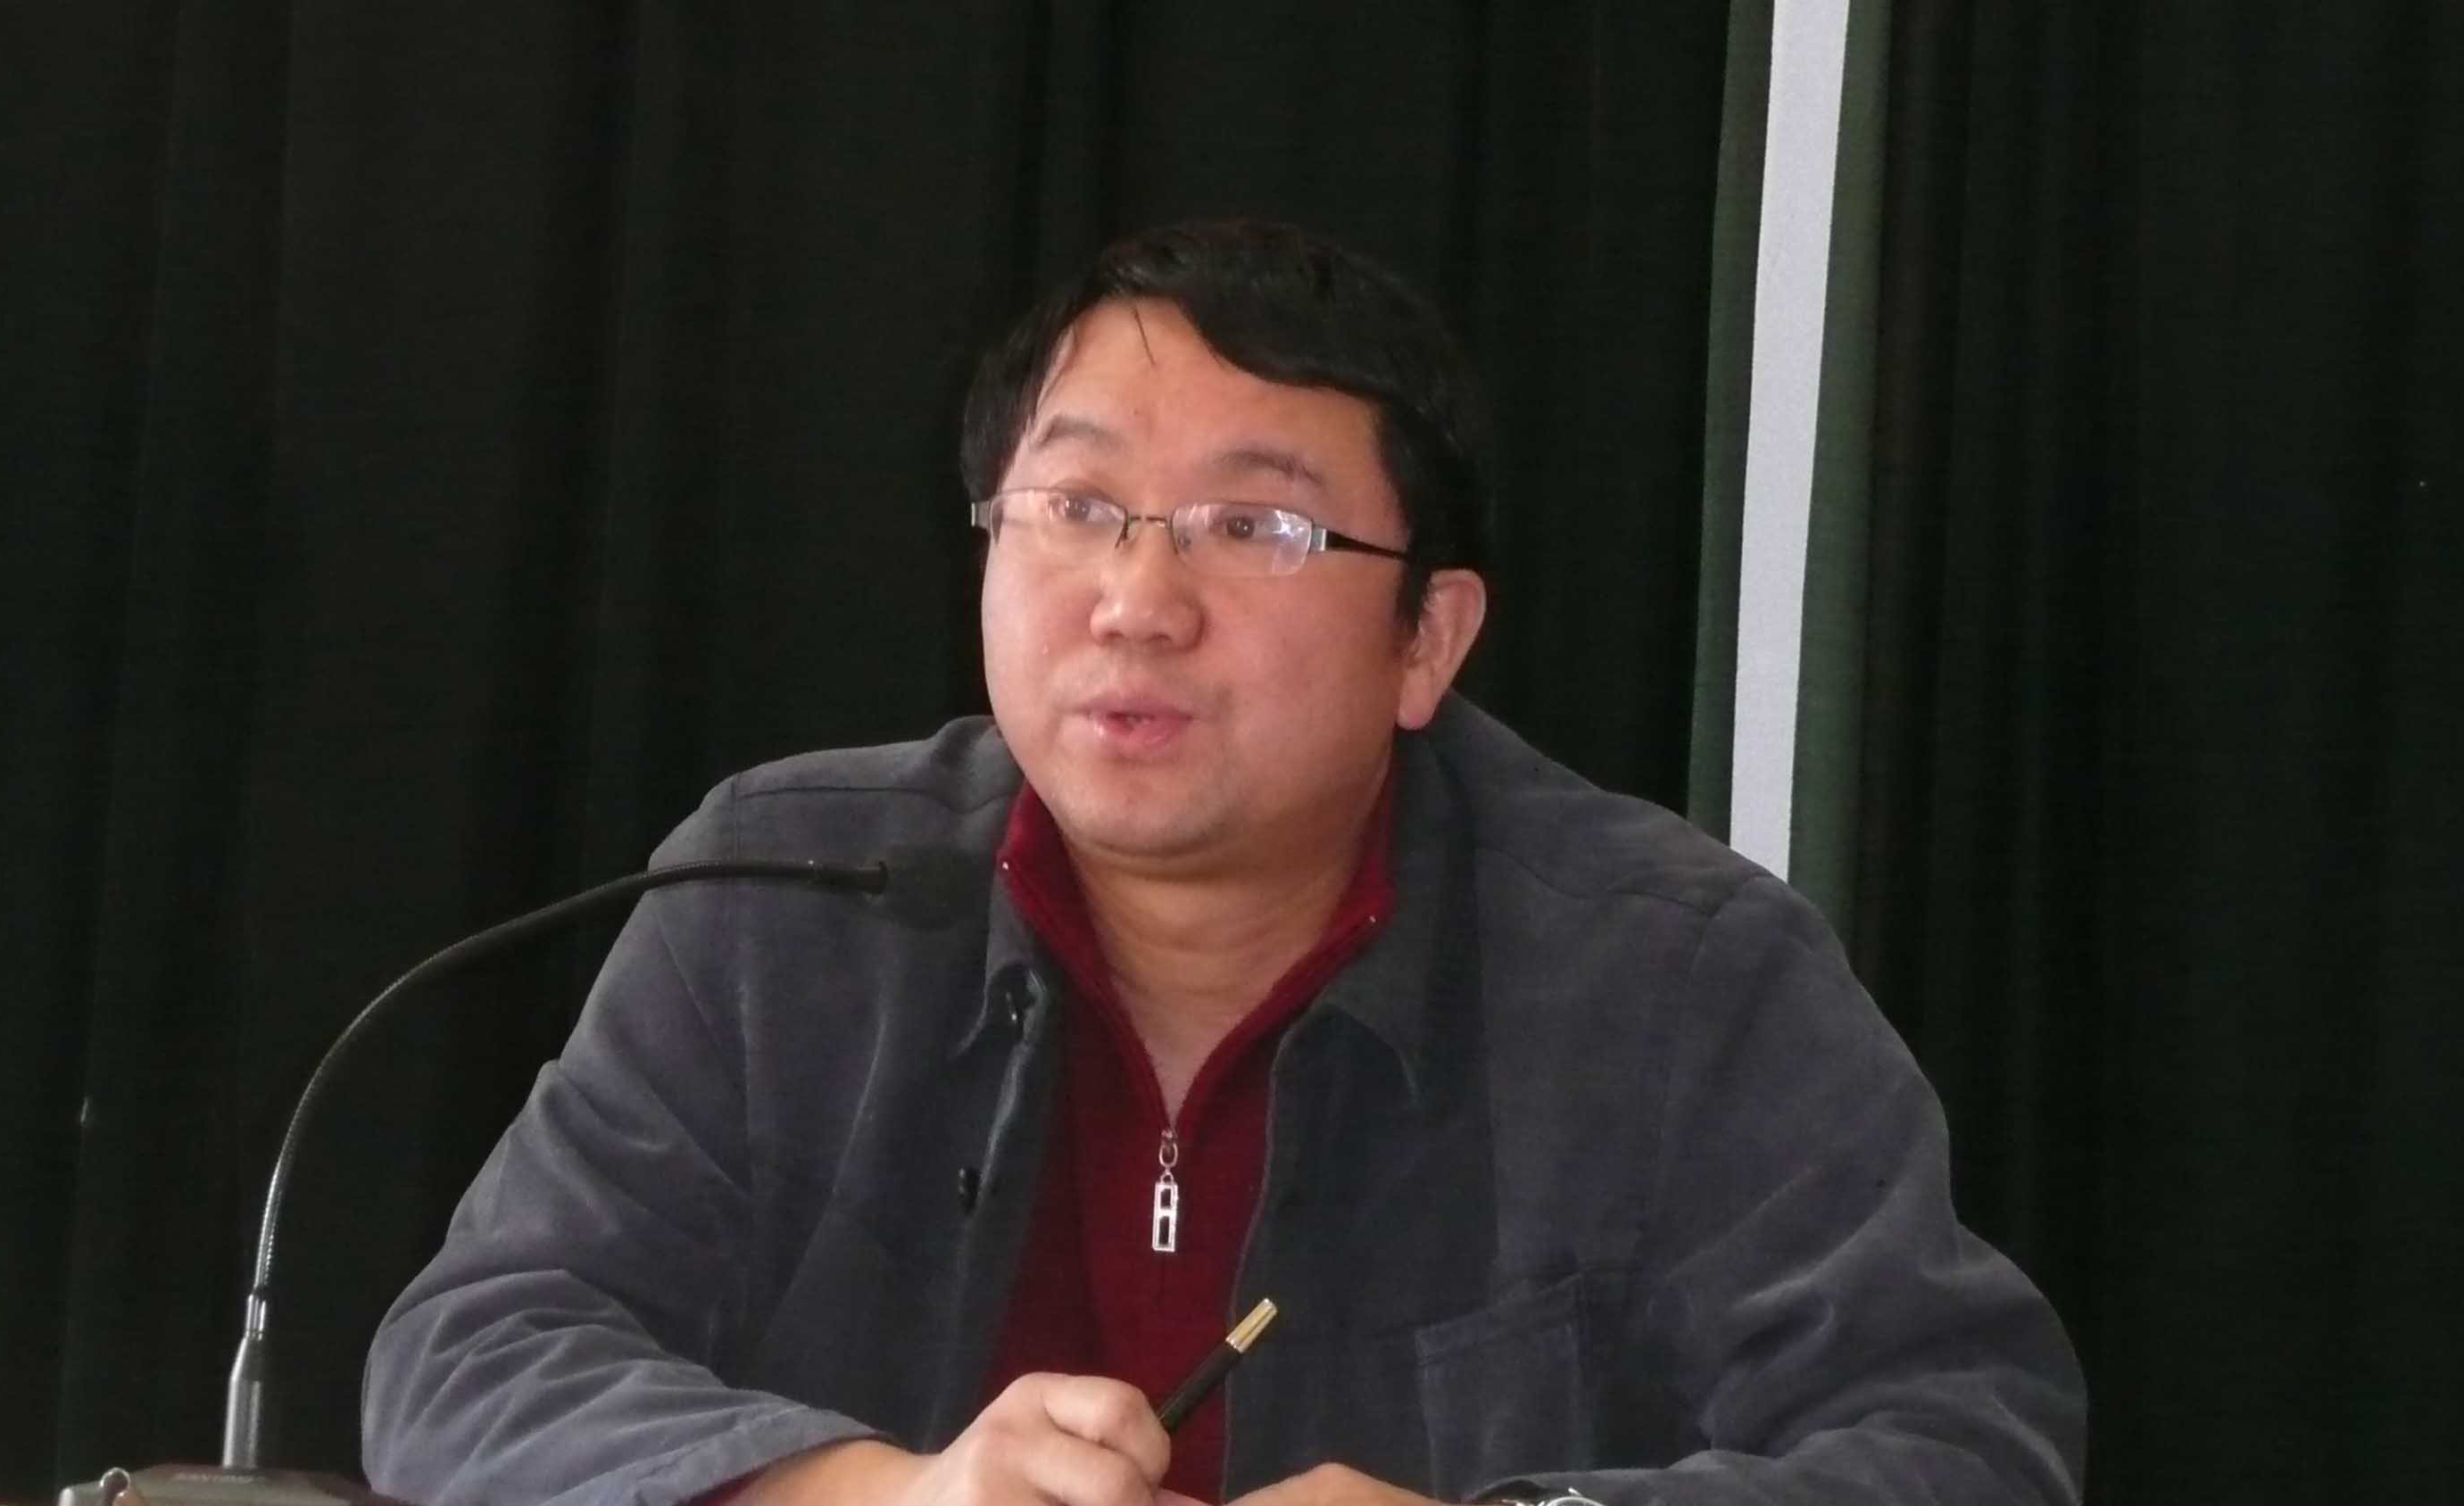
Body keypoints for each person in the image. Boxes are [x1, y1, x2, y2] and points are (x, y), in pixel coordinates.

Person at [361, 219, 2085, 1506]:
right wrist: (876, 1494)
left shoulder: (1675, 975)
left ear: (1428, 639)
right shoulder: (780, 892)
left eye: (1253, 528)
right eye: (1075, 508)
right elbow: (471, 1355)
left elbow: (1960, 1444)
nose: (1137, 600)